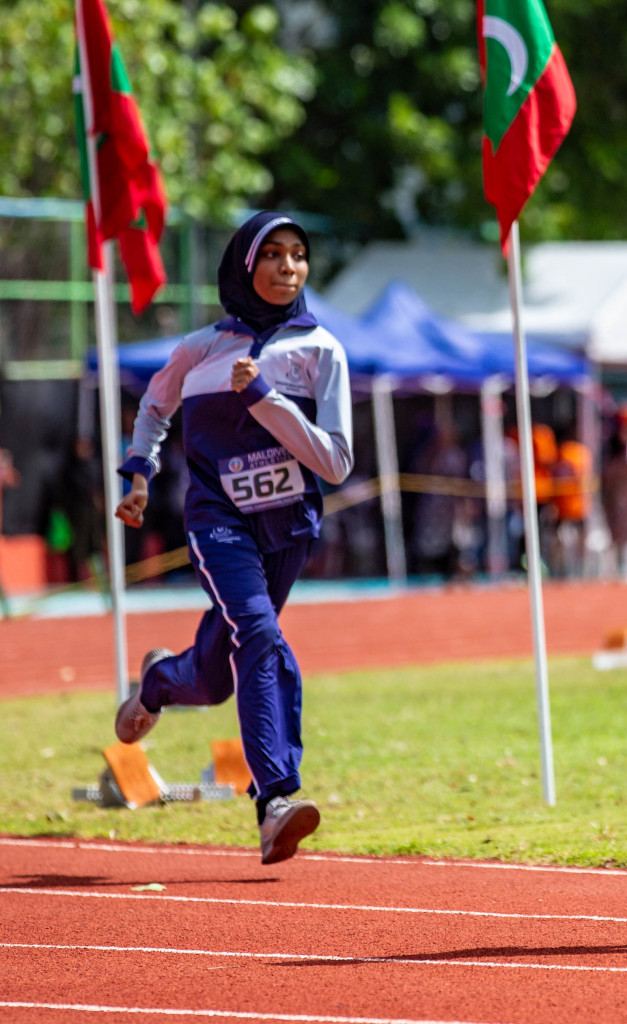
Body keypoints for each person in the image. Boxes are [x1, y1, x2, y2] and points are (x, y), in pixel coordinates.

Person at [111, 212, 353, 865]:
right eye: (271, 254)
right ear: (244, 265)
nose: (287, 267)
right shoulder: (200, 348)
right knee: (263, 636)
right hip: (218, 521)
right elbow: (155, 406)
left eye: (298, 255)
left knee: (218, 676)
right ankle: (277, 800)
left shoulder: (322, 349)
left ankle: (161, 680)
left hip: (289, 526)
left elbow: (335, 463)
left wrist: (269, 399)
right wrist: (138, 472)